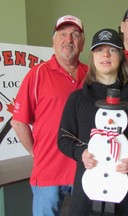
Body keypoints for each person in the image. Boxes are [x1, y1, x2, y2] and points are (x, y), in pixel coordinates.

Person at [57, 28, 128, 216]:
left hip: (127, 191)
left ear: (121, 55)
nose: (106, 54)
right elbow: (63, 139)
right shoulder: (77, 99)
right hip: (87, 191)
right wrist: (80, 153)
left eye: (113, 49)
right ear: (92, 56)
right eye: (100, 49)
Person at [10, 15, 88, 216]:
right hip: (47, 174)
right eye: (62, 34)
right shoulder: (37, 74)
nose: (68, 39)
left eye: (75, 35)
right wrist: (36, 152)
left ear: (82, 43)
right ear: (53, 41)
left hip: (85, 172)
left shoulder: (91, 76)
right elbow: (19, 122)